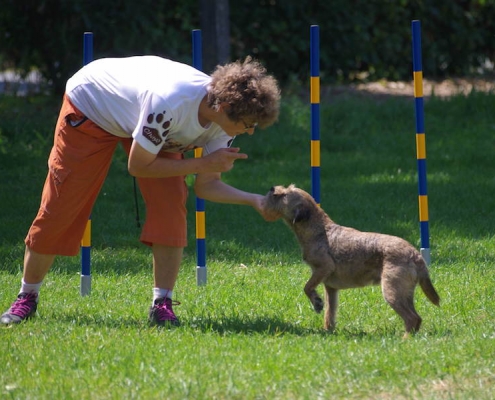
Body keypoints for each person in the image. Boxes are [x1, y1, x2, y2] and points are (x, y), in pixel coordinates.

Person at [0, 55, 281, 327]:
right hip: (93, 104)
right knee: (62, 203)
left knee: (171, 202)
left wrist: (254, 200)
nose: (251, 131)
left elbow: (207, 185)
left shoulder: (223, 121)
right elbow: (138, 166)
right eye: (248, 125)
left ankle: (162, 304)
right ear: (224, 106)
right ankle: (27, 296)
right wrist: (204, 162)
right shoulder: (171, 102)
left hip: (140, 111)